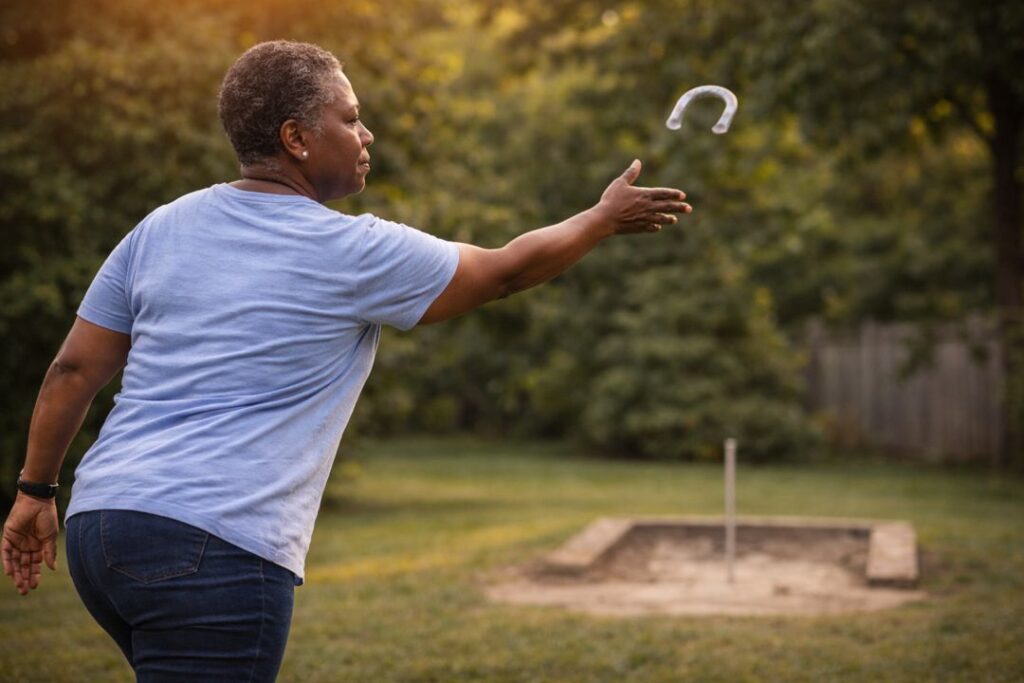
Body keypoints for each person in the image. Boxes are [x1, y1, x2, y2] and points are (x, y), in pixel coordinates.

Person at [1, 40, 691, 681]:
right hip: (212, 546)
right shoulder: (347, 251)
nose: (367, 136)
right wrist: (601, 218)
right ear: (296, 140)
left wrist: (36, 492)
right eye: (351, 118)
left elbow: (73, 369)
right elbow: (504, 271)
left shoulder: (161, 227)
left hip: (103, 525)